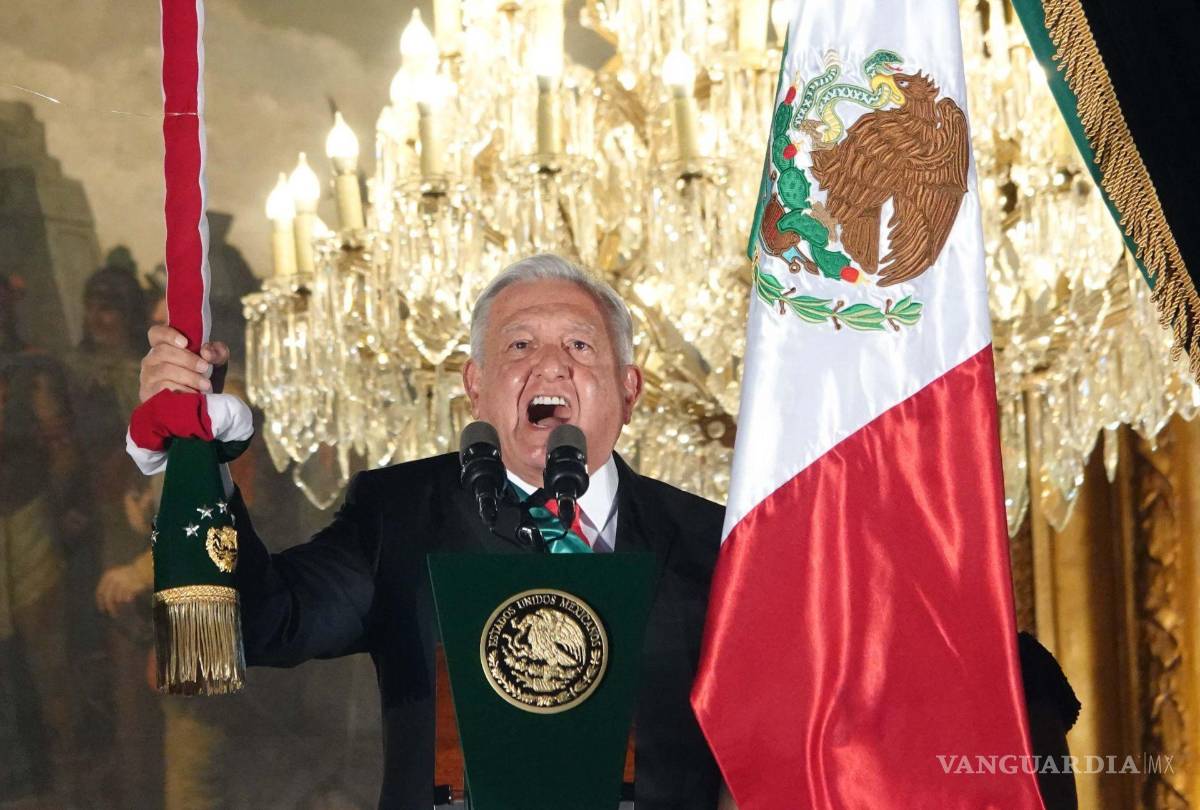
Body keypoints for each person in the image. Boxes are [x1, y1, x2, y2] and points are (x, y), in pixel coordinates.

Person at [137, 254, 724, 809]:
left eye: (579, 344)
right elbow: (268, 621)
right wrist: (199, 461)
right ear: (475, 385)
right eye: (519, 344)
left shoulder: (712, 539)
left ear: (629, 389)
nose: (550, 364)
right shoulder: (400, 514)